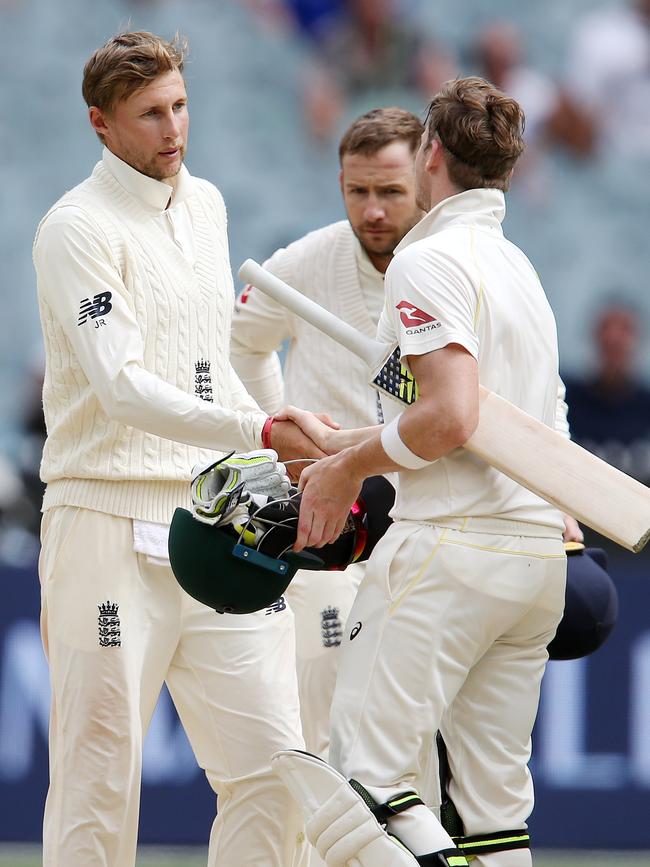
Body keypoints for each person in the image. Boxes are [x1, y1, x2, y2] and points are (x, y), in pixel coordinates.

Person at [31, 30, 326, 867]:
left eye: (181, 106)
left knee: (277, 770)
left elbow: (207, 372)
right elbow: (123, 387)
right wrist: (262, 432)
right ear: (101, 123)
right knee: (99, 774)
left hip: (208, 521)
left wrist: (291, 438)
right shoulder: (74, 230)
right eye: (150, 114)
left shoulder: (207, 206)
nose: (173, 129)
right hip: (101, 522)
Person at [274, 76, 569, 866]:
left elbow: (448, 417)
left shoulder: (429, 258)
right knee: (495, 807)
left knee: (361, 782)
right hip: (534, 560)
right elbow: (526, 418)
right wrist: (361, 437)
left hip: (450, 546)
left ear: (432, 153)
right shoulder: (521, 271)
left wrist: (343, 467)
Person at [231, 106, 424, 759]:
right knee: (323, 733)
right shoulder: (308, 260)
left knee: (415, 751)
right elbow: (242, 344)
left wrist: (557, 503)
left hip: (432, 529)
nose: (373, 210)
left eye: (391, 192)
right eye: (357, 191)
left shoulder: (458, 268)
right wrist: (283, 433)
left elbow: (535, 387)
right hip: (327, 529)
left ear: (427, 179)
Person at [564, 301, 650, 485]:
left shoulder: (645, 408)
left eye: (619, 346)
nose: (615, 339)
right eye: (609, 346)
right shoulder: (568, 401)